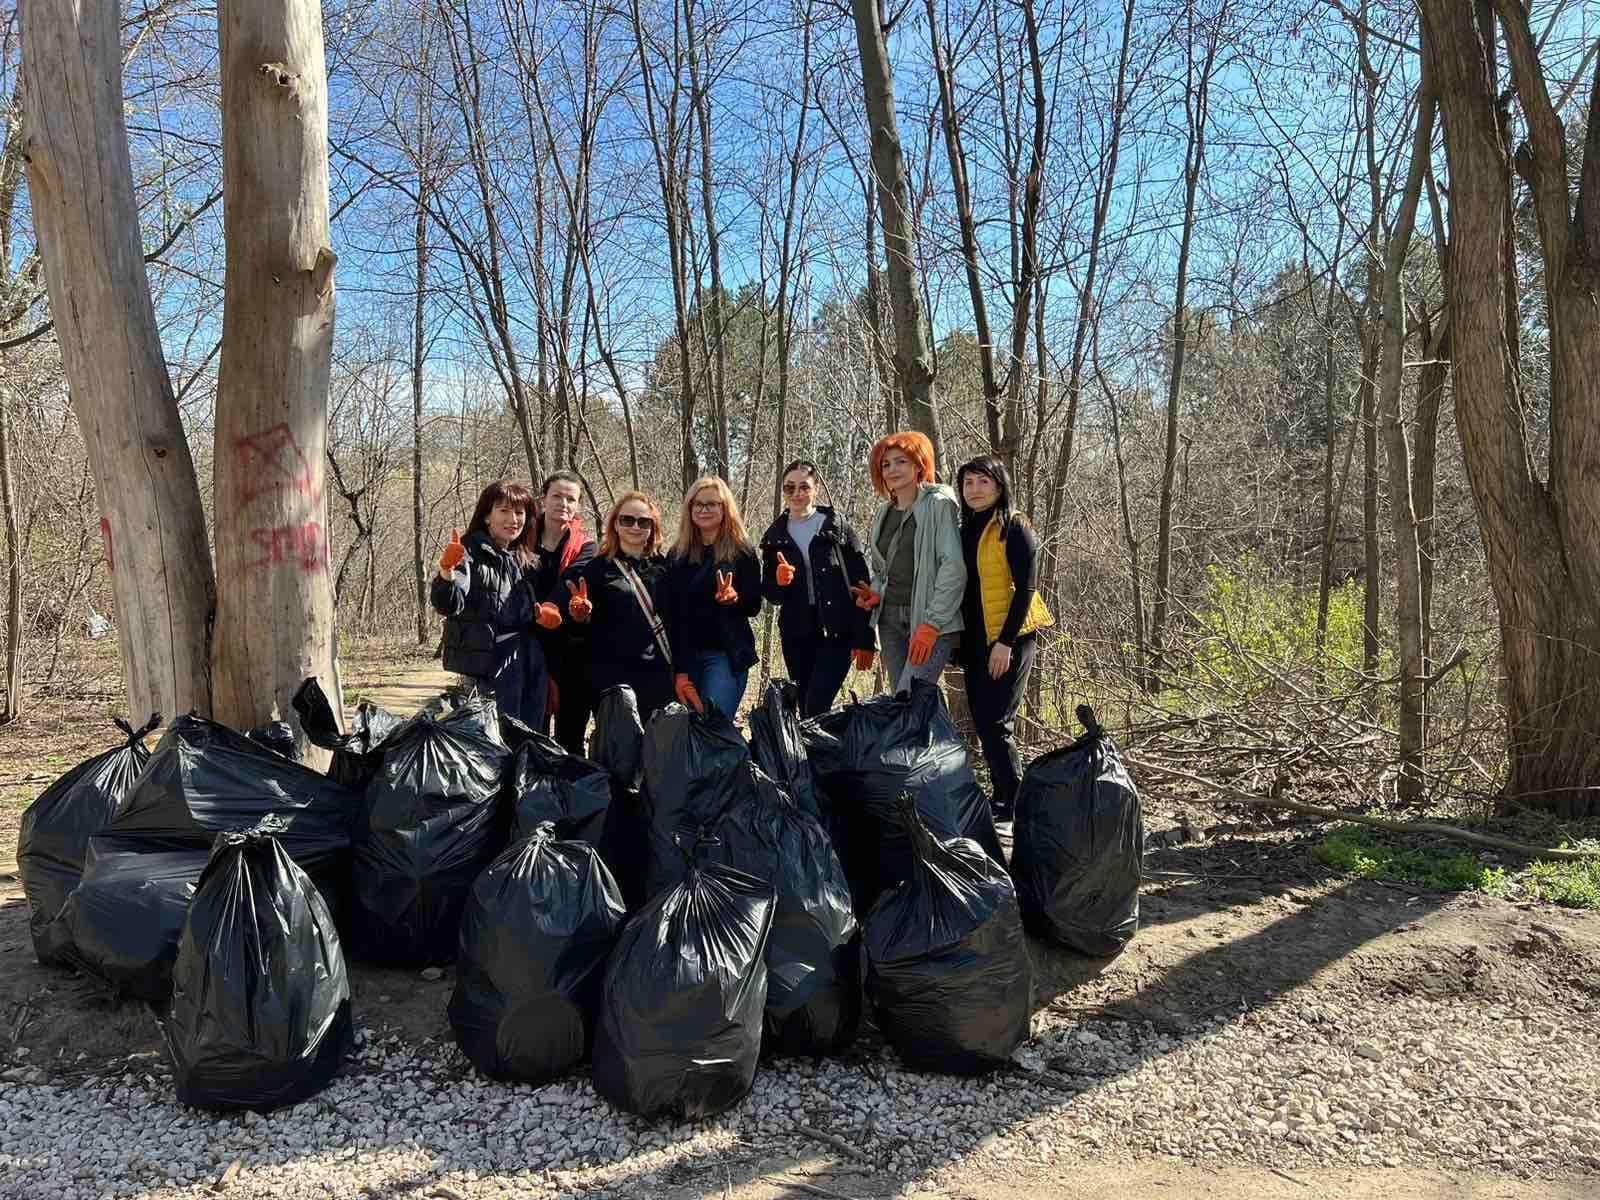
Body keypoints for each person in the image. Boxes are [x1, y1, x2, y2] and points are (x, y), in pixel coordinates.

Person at [956, 454, 1055, 821]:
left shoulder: (1014, 525)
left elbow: (1026, 588)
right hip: (975, 640)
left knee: (998, 723)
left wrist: (1005, 643)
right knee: (983, 722)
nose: (975, 489)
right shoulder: (964, 528)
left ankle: (1015, 802)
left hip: (1011, 637)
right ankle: (1002, 797)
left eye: (984, 481)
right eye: (968, 482)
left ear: (1000, 486)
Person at [759, 460, 875, 717]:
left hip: (838, 631)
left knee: (816, 704)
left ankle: (829, 742)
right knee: (806, 708)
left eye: (804, 487)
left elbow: (862, 587)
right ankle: (817, 745)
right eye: (790, 488)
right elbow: (771, 594)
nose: (797, 494)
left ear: (816, 488)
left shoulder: (836, 527)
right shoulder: (775, 536)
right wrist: (779, 582)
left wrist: (865, 638)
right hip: (796, 634)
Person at [851, 432, 966, 694]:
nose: (892, 469)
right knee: (905, 702)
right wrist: (876, 593)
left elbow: (953, 567)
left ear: (919, 465)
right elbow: (883, 570)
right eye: (886, 464)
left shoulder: (938, 504)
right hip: (890, 620)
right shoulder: (884, 512)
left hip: (928, 618)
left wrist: (932, 624)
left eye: (901, 461)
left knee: (908, 697)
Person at [430, 480, 550, 726]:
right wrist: (446, 572)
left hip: (528, 661)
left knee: (528, 734)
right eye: (504, 511)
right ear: (487, 516)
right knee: (493, 739)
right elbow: (450, 604)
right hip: (488, 669)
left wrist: (544, 615)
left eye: (519, 513)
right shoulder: (469, 551)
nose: (513, 520)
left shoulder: (524, 559)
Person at [560, 490, 675, 722]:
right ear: (615, 524)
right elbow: (578, 630)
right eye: (627, 520)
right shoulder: (597, 569)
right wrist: (579, 617)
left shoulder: (664, 568)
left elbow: (677, 620)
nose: (635, 526)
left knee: (659, 743)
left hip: (658, 676)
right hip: (612, 681)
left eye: (643, 522)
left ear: (652, 527)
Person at [662, 476, 763, 717]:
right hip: (686, 657)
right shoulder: (677, 555)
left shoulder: (742, 552)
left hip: (725, 655)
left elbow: (754, 606)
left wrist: (735, 598)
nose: (704, 509)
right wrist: (680, 669)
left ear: (724, 508)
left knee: (714, 726)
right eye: (698, 504)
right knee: (685, 729)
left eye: (711, 504)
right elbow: (672, 614)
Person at [527, 471, 597, 754]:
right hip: (528, 647)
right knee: (531, 734)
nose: (563, 504)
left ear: (578, 505)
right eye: (557, 496)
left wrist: (551, 608)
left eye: (571, 499)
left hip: (571, 651)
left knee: (571, 738)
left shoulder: (587, 547)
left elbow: (571, 580)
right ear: (543, 498)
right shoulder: (523, 538)